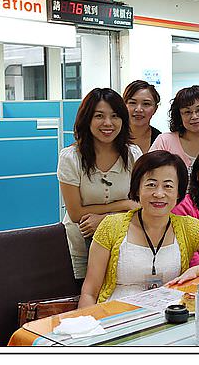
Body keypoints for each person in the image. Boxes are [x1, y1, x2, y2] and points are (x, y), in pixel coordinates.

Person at [78, 151, 199, 308]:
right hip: (117, 316)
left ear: (178, 192)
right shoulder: (111, 226)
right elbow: (89, 293)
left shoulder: (188, 227)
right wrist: (88, 321)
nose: (159, 194)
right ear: (137, 189)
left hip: (168, 316)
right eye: (151, 185)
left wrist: (197, 270)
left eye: (168, 186)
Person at [57, 88, 143, 284]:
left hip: (123, 244)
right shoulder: (71, 158)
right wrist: (123, 204)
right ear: (87, 119)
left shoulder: (133, 155)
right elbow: (76, 213)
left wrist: (103, 219)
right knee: (83, 296)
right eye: (99, 116)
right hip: (78, 247)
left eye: (115, 116)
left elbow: (141, 205)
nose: (108, 123)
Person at [149, 85, 199, 174]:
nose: (194, 116)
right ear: (179, 116)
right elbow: (149, 173)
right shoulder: (164, 141)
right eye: (187, 112)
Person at [122, 80, 161, 153]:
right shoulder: (113, 136)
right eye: (132, 103)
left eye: (146, 104)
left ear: (155, 108)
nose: (138, 109)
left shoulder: (160, 140)